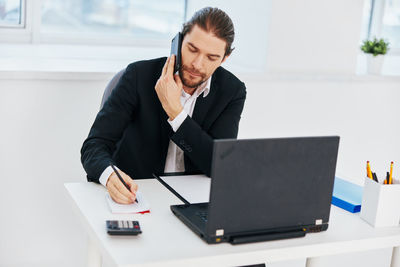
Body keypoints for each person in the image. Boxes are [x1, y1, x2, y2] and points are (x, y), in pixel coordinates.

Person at [81, 7, 247, 204]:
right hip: (138, 195)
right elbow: (94, 146)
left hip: (193, 200)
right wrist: (109, 176)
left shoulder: (232, 91)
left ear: (225, 58)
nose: (197, 64)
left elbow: (218, 166)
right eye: (192, 49)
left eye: (211, 57)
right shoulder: (138, 76)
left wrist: (176, 113)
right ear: (179, 41)